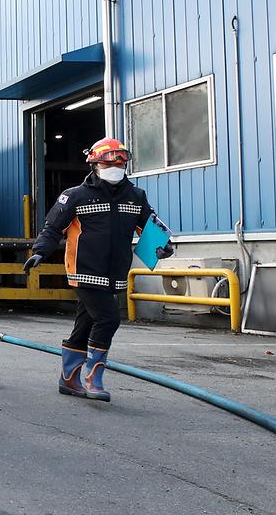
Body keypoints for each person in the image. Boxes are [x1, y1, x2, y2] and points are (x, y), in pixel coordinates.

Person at [26, 138, 172, 402]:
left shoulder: (136, 196)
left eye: (120, 161)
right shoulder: (75, 196)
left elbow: (151, 228)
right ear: (94, 164)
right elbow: (53, 228)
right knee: (108, 319)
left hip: (115, 272)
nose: (116, 166)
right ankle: (94, 379)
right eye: (108, 161)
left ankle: (69, 379)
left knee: (86, 324)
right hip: (84, 270)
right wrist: (39, 252)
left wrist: (163, 247)